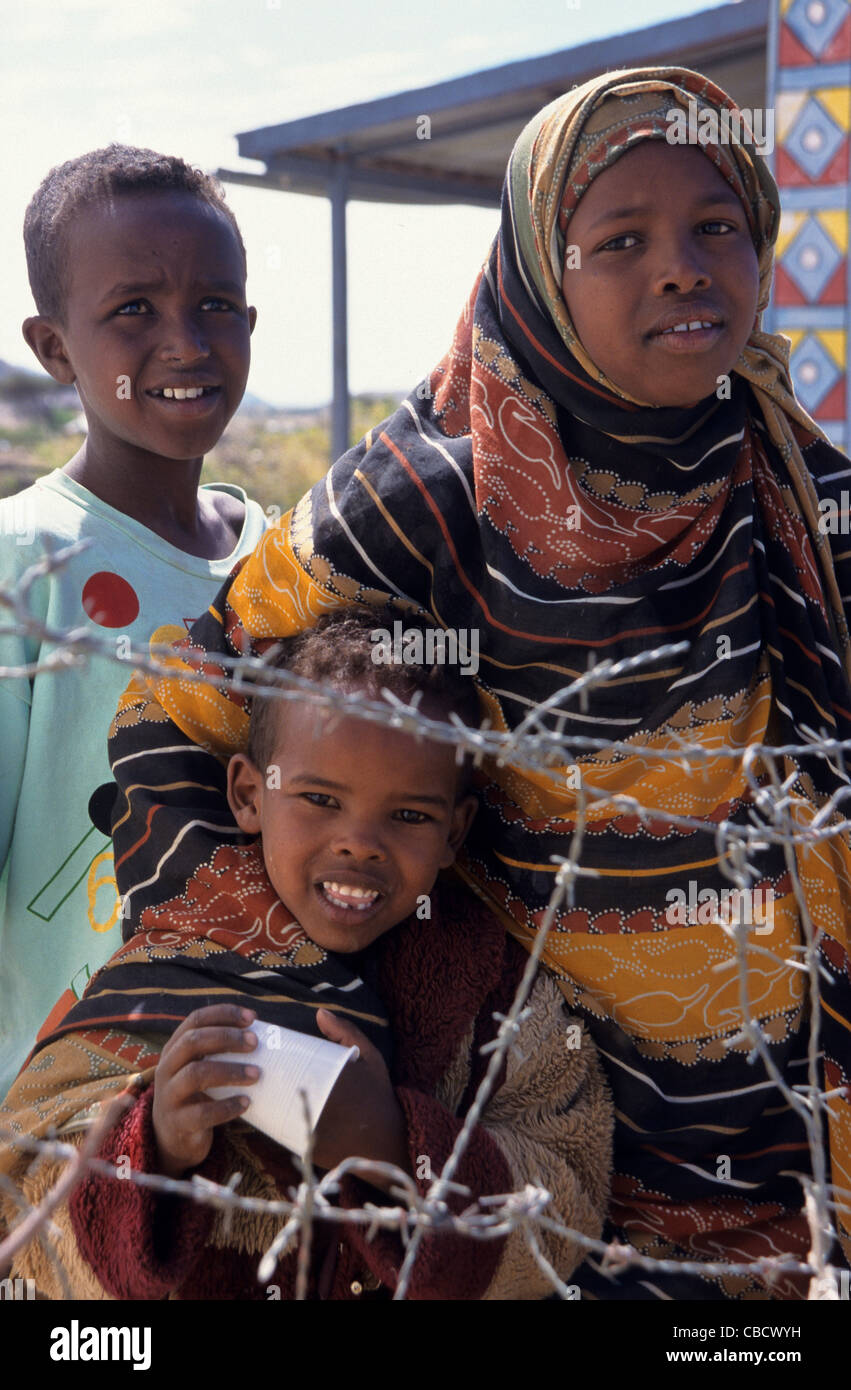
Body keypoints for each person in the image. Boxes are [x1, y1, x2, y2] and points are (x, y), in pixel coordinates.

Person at [0, 609, 613, 1301]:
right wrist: (158, 1145)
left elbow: (569, 1196)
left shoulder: (485, 986)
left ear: (454, 831)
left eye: (409, 815)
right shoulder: (175, 956)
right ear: (248, 795)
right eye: (319, 798)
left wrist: (392, 1141)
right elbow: (19, 1210)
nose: (359, 843)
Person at [0, 145, 268, 1095]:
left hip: (263, 1101)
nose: (187, 342)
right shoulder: (24, 565)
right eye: (133, 310)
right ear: (55, 348)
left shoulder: (285, 568)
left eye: (216, 305)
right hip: (72, 1124)